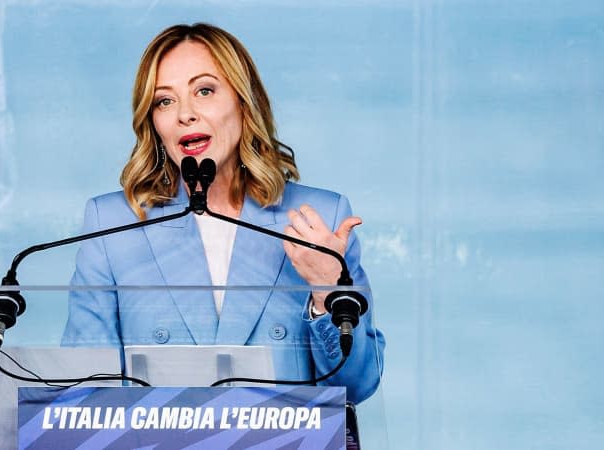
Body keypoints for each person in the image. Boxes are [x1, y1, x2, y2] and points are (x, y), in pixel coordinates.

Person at [62, 23, 384, 403]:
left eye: (204, 91)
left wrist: (326, 290)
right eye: (164, 101)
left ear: (243, 102)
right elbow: (80, 396)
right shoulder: (113, 225)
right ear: (153, 122)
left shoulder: (319, 217)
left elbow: (357, 386)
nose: (185, 114)